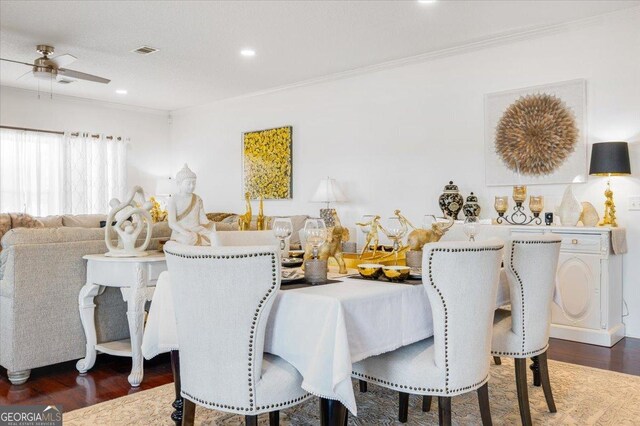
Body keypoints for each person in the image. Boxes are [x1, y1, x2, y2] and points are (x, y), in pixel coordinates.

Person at [167, 164, 216, 246]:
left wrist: (210, 225)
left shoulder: (198, 199)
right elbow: (172, 223)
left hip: (197, 229)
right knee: (189, 240)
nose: (192, 186)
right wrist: (185, 233)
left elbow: (203, 219)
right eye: (188, 184)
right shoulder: (173, 199)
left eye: (194, 183)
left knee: (215, 238)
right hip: (181, 232)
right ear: (179, 183)